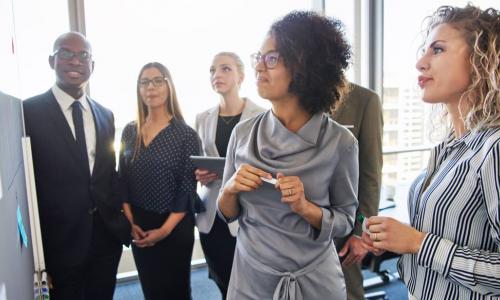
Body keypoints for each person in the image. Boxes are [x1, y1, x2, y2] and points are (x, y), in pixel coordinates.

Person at [217, 11, 358, 299]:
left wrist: (306, 208)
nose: (258, 67)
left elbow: (346, 219)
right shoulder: (242, 135)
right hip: (251, 280)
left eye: (271, 59)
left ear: (304, 66)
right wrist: (230, 188)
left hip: (314, 282)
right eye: (259, 56)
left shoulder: (340, 142)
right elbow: (226, 213)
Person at [363, 4, 500, 299]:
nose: (420, 63)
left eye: (437, 50)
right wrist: (397, 238)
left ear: (482, 58)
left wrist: (417, 243)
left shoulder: (495, 147)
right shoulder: (451, 147)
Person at [23, 32, 130, 299]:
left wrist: (124, 217)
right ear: (52, 61)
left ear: (92, 66)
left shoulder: (105, 115)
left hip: (106, 236)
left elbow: (107, 173)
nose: (75, 61)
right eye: (66, 53)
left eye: (84, 55)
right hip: (60, 240)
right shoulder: (28, 112)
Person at [119, 62, 203, 300]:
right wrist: (130, 222)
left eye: (158, 80)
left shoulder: (186, 134)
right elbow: (122, 179)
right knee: (151, 290)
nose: (151, 87)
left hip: (174, 225)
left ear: (169, 86)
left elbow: (187, 190)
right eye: (144, 82)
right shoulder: (129, 131)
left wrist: (164, 231)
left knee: (176, 292)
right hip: (139, 225)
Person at [194, 52, 265, 298]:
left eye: (225, 69)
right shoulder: (203, 118)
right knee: (222, 279)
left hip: (248, 213)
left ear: (241, 76)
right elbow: (202, 159)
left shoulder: (262, 116)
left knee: (249, 284)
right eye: (213, 70)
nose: (217, 75)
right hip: (212, 214)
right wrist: (201, 174)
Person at [331, 83, 383, 300]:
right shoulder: (298, 97)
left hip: (345, 232)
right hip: (303, 229)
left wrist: (361, 232)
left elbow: (370, 174)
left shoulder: (365, 100)